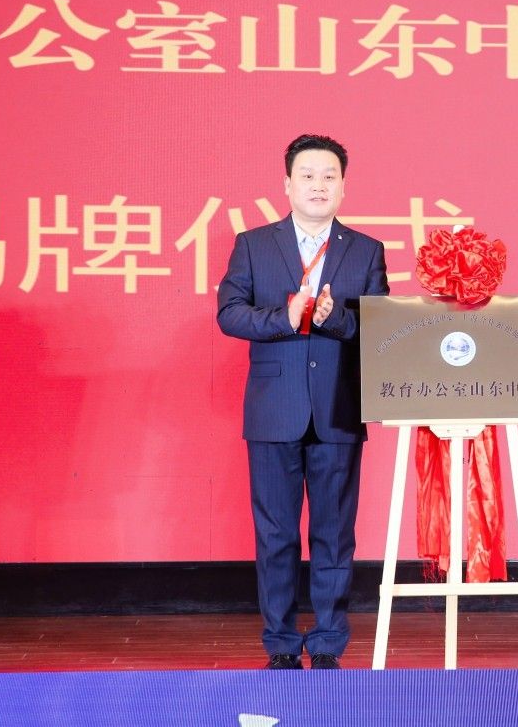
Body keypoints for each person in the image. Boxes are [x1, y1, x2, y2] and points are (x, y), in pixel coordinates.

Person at [217, 134, 389, 670]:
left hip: (338, 409)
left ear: (343, 187)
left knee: (334, 535)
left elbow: (380, 329)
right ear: (287, 185)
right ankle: (282, 643)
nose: (318, 185)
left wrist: (336, 319)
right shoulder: (253, 244)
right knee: (276, 535)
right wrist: (284, 318)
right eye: (308, 176)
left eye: (329, 176)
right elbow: (229, 313)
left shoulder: (366, 250)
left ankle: (329, 642)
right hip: (274, 409)